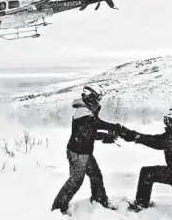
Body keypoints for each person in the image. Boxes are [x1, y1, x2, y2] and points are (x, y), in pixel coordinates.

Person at [51, 85, 124, 216]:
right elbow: (95, 127)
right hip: (78, 153)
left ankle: (99, 200)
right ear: (91, 97)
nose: (98, 100)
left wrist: (108, 133)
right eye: (97, 97)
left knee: (96, 175)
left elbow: (91, 130)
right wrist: (114, 130)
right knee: (75, 181)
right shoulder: (83, 113)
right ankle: (57, 209)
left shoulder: (86, 110)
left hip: (84, 151)